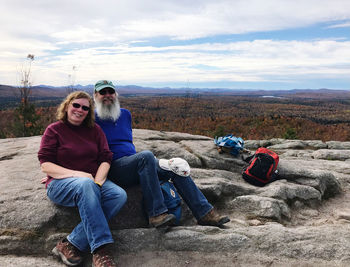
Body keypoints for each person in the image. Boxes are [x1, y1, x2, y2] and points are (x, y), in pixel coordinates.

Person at [93, 80, 230, 228]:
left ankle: (204, 213)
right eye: (103, 92)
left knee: (175, 166)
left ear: (116, 94)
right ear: (95, 96)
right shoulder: (91, 119)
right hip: (113, 167)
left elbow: (126, 143)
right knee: (146, 156)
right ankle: (156, 214)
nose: (107, 95)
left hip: (134, 162)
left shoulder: (125, 114)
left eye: (110, 92)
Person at [38, 91, 126, 267]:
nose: (80, 110)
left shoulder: (94, 131)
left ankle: (70, 243)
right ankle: (100, 250)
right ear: (67, 106)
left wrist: (98, 182)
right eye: (76, 105)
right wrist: (80, 175)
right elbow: (45, 164)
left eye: (85, 107)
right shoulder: (54, 130)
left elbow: (105, 158)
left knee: (119, 195)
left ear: (89, 111)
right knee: (86, 184)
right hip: (60, 184)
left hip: (90, 181)